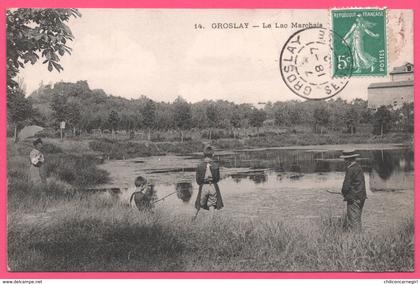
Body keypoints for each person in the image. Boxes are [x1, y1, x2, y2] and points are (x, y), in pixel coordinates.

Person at [340, 149, 367, 232]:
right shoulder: (358, 167)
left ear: (348, 159)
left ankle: (356, 241)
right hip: (361, 197)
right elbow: (358, 184)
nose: (344, 161)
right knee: (357, 219)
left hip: (353, 198)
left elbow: (345, 186)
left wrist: (344, 193)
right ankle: (360, 240)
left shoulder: (350, 169)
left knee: (353, 221)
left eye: (345, 159)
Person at [194, 145, 223, 217]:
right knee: (212, 204)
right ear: (213, 154)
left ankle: (193, 218)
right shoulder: (216, 165)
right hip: (213, 186)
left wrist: (201, 183)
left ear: (204, 154)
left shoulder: (199, 165)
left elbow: (198, 179)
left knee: (199, 202)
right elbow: (217, 178)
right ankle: (211, 221)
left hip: (203, 186)